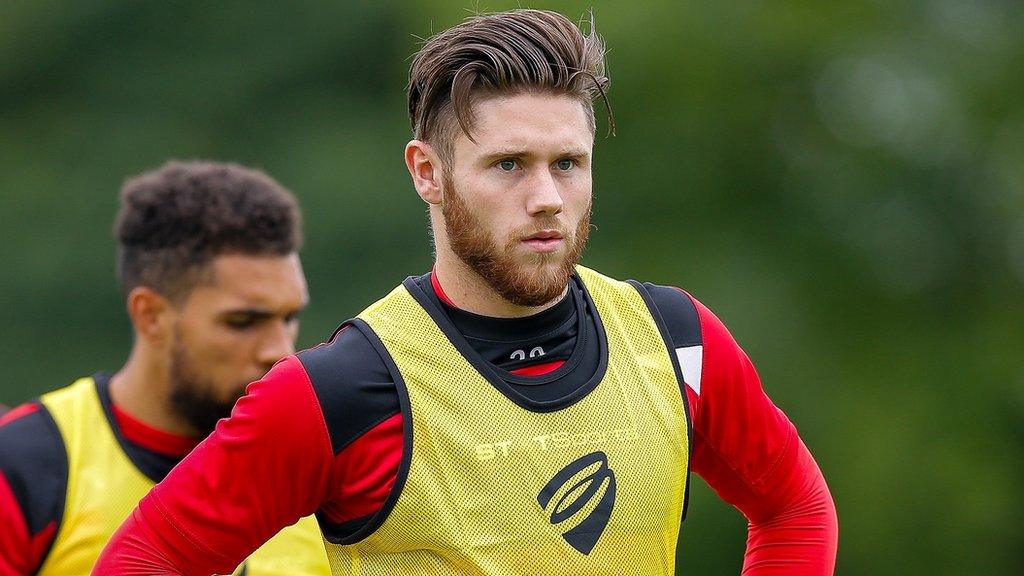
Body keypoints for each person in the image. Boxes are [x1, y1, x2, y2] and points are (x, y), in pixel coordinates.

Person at [95, 10, 838, 575]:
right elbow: (145, 558)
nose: (547, 196)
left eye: (568, 164)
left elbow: (794, 507)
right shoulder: (341, 392)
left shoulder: (678, 340)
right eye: (510, 164)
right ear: (427, 172)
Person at [0, 161, 331, 575]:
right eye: (242, 322)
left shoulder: (323, 468)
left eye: (288, 318)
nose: (282, 352)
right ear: (150, 314)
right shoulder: (26, 464)